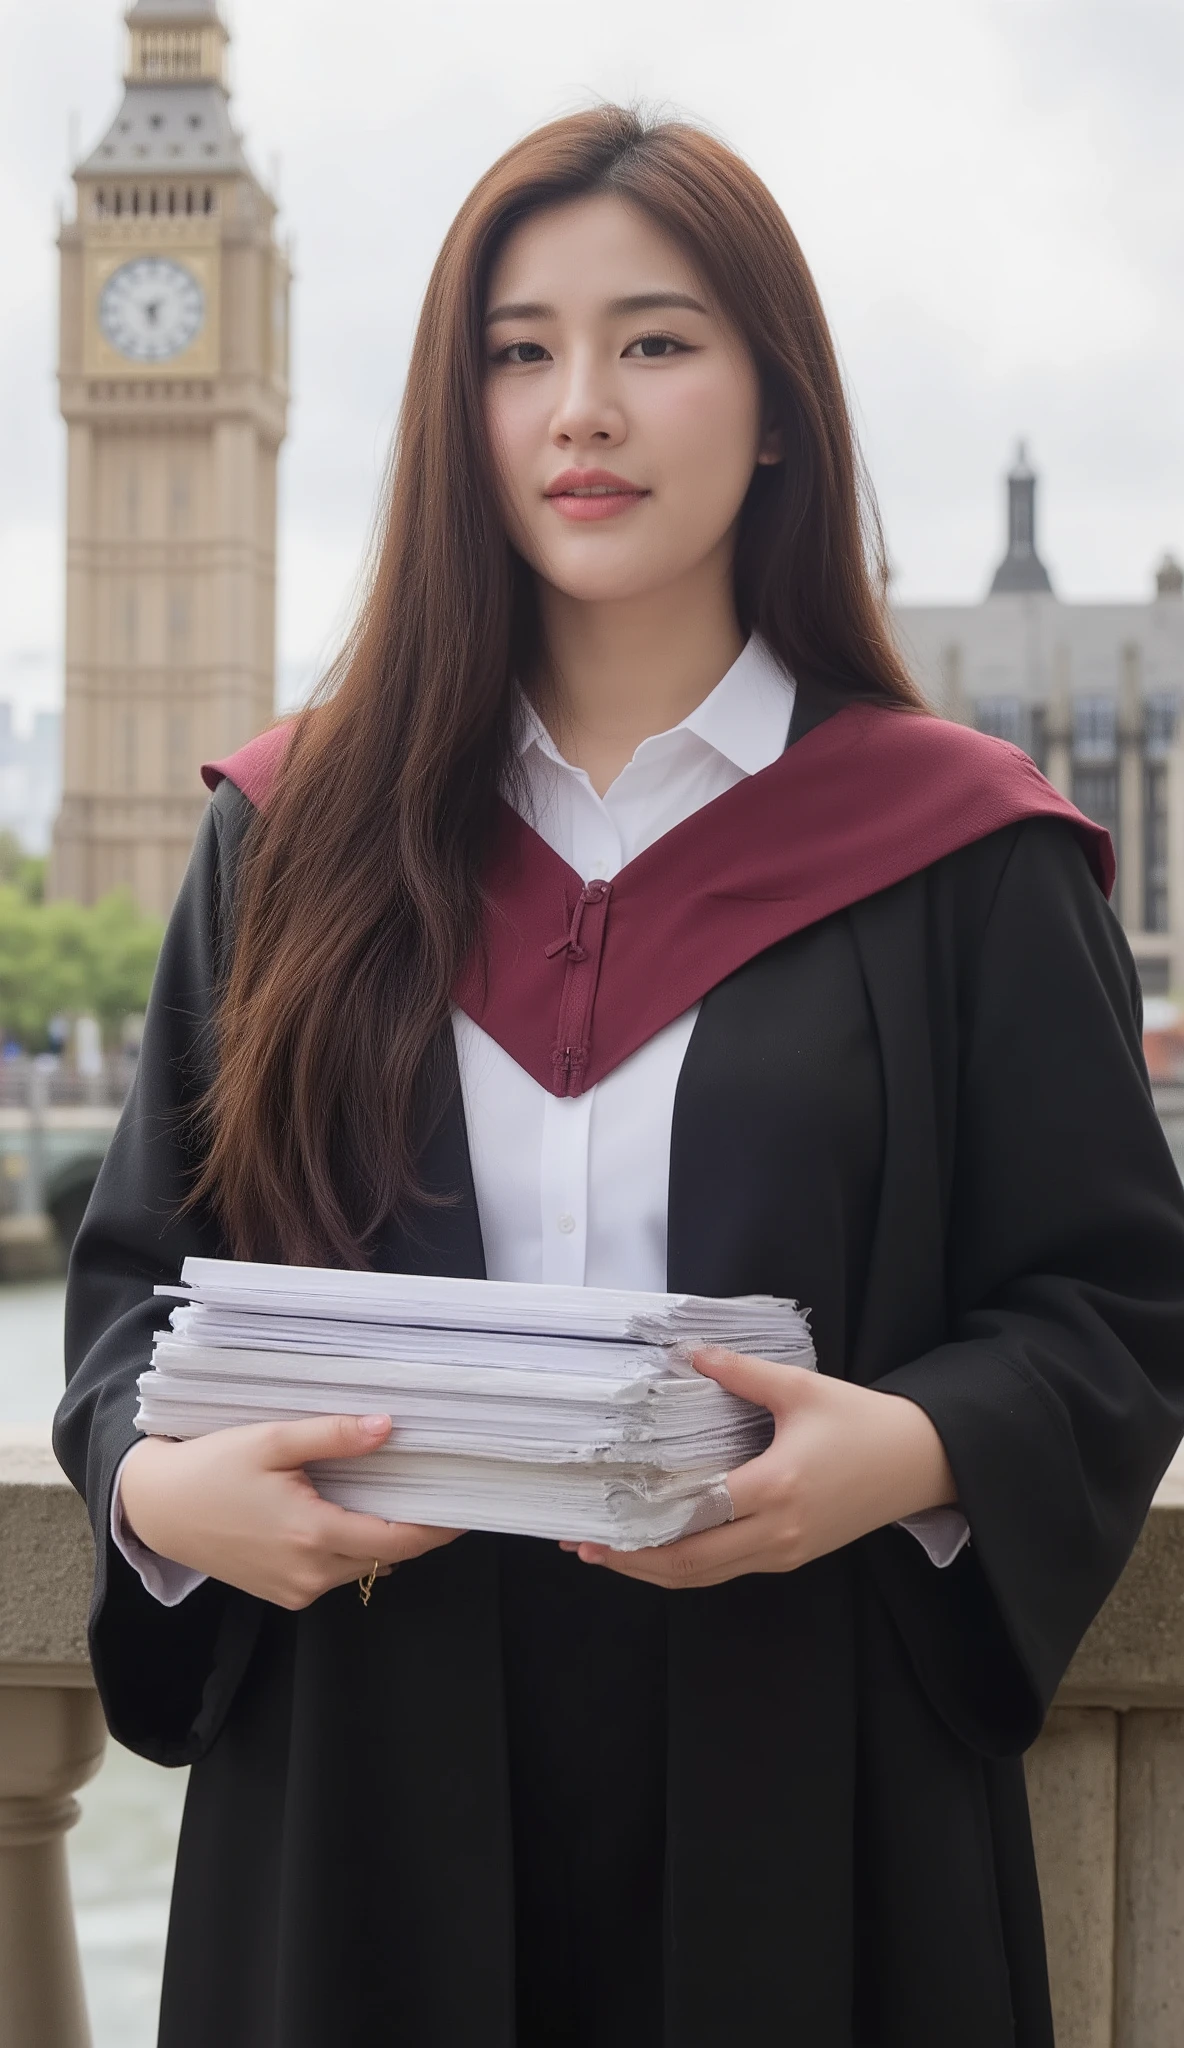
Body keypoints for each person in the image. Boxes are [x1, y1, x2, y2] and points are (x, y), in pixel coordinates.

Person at [54, 106, 1184, 2048]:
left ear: (773, 412)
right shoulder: (293, 835)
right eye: (519, 350)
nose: (581, 405)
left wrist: (904, 1453)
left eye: (655, 342)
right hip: (359, 1804)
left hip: (810, 1787)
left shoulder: (956, 853)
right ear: (457, 417)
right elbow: (128, 1308)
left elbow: (1114, 1299)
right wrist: (166, 1494)